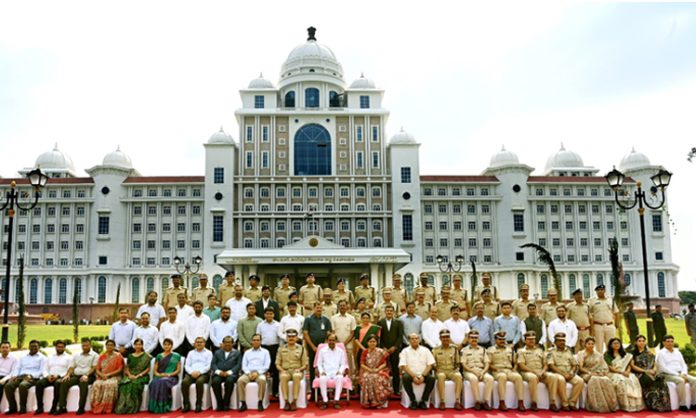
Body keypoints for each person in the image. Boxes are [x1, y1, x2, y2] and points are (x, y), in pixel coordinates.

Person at [577, 336, 618, 412]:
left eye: (592, 344)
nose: (591, 345)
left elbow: (604, 366)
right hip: (585, 373)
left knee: (605, 379)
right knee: (594, 379)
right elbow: (581, 368)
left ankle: (609, 405)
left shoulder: (598, 354)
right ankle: (596, 405)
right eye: (589, 344)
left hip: (597, 372)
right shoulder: (581, 354)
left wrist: (600, 372)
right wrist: (590, 373)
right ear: (585, 344)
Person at [516, 331, 555, 412]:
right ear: (525, 340)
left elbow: (545, 364)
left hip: (540, 372)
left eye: (533, 339)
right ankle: (534, 402)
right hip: (527, 372)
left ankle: (553, 402)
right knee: (533, 378)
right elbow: (521, 365)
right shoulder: (521, 351)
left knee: (553, 377)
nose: (531, 341)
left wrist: (543, 371)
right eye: (529, 339)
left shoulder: (540, 350)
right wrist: (534, 372)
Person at [57, 338, 97, 415]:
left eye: (87, 345)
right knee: (64, 381)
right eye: (83, 345)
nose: (85, 347)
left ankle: (81, 408)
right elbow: (72, 367)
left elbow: (94, 368)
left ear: (90, 345)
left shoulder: (95, 355)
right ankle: (62, 407)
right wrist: (68, 375)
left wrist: (86, 375)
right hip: (76, 376)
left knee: (83, 382)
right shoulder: (77, 355)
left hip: (89, 376)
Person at [656, 334, 696, 411]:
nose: (670, 343)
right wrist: (678, 375)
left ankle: (694, 403)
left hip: (680, 373)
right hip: (667, 374)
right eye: (668, 341)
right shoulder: (661, 353)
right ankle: (683, 404)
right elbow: (663, 368)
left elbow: (683, 364)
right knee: (681, 381)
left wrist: (684, 373)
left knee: (695, 380)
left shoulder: (678, 352)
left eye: (672, 341)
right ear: (663, 343)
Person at [630, 334, 670, 412]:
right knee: (650, 381)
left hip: (651, 372)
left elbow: (654, 364)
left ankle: (665, 405)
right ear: (636, 342)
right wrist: (645, 371)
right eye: (639, 341)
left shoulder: (649, 353)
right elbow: (632, 366)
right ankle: (654, 405)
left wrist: (654, 370)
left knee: (661, 380)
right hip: (640, 373)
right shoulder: (633, 353)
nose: (641, 342)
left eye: (643, 341)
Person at [4, 340, 45, 414]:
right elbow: (17, 368)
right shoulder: (23, 357)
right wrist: (15, 375)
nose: (33, 348)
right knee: (8, 386)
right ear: (29, 347)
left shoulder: (42, 358)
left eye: (35, 346)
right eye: (32, 346)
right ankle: (12, 408)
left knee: (22, 385)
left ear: (39, 347)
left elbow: (42, 371)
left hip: (32, 377)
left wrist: (31, 375)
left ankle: (22, 408)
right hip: (20, 376)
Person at [487, 331, 525, 411]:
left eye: (503, 339)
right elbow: (489, 364)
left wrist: (514, 369)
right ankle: (502, 402)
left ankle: (520, 402)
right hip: (497, 370)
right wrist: (497, 369)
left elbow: (515, 362)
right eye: (500, 339)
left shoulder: (510, 349)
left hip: (508, 370)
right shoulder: (490, 350)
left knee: (518, 377)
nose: (502, 341)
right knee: (502, 376)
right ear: (495, 340)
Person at [546, 332, 584, 411]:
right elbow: (551, 366)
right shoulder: (551, 352)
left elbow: (574, 364)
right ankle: (564, 403)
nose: (562, 342)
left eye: (563, 340)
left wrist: (571, 372)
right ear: (555, 342)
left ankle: (572, 402)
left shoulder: (568, 351)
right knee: (561, 379)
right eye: (559, 341)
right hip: (557, 373)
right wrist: (563, 374)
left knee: (580, 381)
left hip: (569, 372)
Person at [605, 337, 644, 411]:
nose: (616, 344)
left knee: (633, 379)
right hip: (614, 372)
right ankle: (624, 404)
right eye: (614, 343)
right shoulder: (607, 355)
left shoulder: (625, 354)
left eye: (618, 343)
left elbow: (629, 365)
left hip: (625, 372)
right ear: (610, 345)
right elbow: (610, 367)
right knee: (622, 381)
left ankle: (634, 404)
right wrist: (621, 372)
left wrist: (628, 372)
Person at [115, 338, 152, 414]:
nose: (138, 346)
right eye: (136, 344)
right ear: (134, 345)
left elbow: (147, 369)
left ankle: (132, 407)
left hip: (142, 376)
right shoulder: (130, 356)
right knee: (123, 385)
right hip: (130, 375)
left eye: (140, 344)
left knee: (134, 384)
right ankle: (122, 407)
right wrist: (130, 375)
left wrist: (138, 375)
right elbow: (127, 368)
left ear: (142, 345)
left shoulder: (147, 356)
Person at [400, 333, 435, 410]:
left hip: (423, 373)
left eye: (416, 338)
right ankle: (413, 400)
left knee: (431, 379)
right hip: (410, 374)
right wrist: (414, 377)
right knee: (405, 378)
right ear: (409, 340)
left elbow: (430, 365)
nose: (414, 340)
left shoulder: (426, 350)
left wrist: (423, 376)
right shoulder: (405, 351)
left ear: (419, 339)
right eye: (412, 338)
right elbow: (403, 366)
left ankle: (423, 400)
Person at [460, 330, 493, 410]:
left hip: (481, 370)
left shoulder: (483, 349)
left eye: (476, 337)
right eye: (472, 337)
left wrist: (483, 372)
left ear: (478, 339)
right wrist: (474, 371)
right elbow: (464, 365)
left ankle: (486, 401)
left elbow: (487, 363)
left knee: (490, 378)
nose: (474, 339)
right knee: (473, 378)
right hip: (469, 371)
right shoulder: (464, 350)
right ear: (468, 338)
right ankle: (477, 401)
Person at [35, 340, 71, 414]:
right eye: (58, 347)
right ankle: (39, 407)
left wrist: (58, 375)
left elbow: (69, 370)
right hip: (49, 377)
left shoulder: (69, 357)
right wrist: (47, 376)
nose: (60, 348)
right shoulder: (50, 357)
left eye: (62, 347)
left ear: (64, 348)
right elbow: (45, 369)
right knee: (39, 383)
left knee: (57, 383)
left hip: (60, 377)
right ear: (55, 347)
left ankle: (54, 407)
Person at [276, 329, 308, 411]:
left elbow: (305, 364)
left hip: (297, 370)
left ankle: (294, 401)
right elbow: (277, 364)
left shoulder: (302, 349)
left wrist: (300, 369)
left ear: (297, 338)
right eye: (289, 336)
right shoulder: (281, 349)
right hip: (285, 371)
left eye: (293, 336)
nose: (291, 338)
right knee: (283, 377)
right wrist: (282, 370)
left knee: (296, 376)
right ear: (286, 338)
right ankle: (286, 401)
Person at [148, 338, 182, 413]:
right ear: (163, 346)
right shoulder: (159, 356)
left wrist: (168, 374)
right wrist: (159, 375)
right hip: (159, 376)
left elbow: (178, 370)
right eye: (165, 344)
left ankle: (163, 406)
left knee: (163, 382)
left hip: (171, 377)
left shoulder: (176, 356)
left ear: (171, 346)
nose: (166, 346)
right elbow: (155, 371)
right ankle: (154, 407)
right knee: (154, 383)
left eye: (168, 344)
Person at [238, 334, 271, 411]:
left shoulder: (265, 352)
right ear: (251, 342)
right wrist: (248, 373)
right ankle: (243, 403)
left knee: (262, 380)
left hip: (260, 373)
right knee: (240, 380)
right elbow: (244, 365)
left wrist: (257, 373)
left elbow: (266, 365)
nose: (256, 342)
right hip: (248, 373)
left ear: (260, 342)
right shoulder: (247, 352)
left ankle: (260, 402)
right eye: (254, 340)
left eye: (258, 340)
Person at [433, 330, 463, 410]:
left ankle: (457, 401)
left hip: (452, 371)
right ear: (440, 338)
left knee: (459, 376)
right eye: (443, 337)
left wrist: (457, 369)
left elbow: (458, 362)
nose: (445, 339)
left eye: (447, 337)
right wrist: (437, 370)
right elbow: (433, 363)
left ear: (449, 338)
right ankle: (442, 401)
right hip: (441, 370)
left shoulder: (455, 348)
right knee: (441, 376)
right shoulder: (435, 350)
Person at [91, 339, 124, 414]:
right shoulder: (102, 356)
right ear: (105, 346)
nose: (109, 346)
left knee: (109, 384)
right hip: (102, 376)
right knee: (97, 384)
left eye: (111, 345)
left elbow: (120, 369)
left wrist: (109, 375)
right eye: (108, 345)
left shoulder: (118, 356)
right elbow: (97, 369)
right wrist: (102, 375)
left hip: (115, 376)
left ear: (114, 346)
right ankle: (97, 406)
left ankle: (108, 408)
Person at [359, 334, 392, 409]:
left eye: (374, 341)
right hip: (368, 370)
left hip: (379, 370)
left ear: (376, 342)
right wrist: (370, 370)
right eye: (370, 341)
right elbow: (362, 364)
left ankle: (379, 401)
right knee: (367, 377)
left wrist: (377, 369)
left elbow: (384, 363)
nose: (372, 343)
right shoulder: (365, 352)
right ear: (367, 343)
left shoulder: (381, 351)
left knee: (377, 378)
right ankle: (369, 401)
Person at [316, 333, 348, 409]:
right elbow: (319, 363)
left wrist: (340, 371)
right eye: (330, 340)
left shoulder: (340, 351)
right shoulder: (322, 351)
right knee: (322, 379)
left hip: (336, 372)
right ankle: (325, 401)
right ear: (327, 341)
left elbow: (343, 364)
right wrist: (321, 371)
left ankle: (336, 400)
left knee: (340, 377)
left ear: (336, 341)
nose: (331, 342)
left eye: (333, 340)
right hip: (326, 372)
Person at [181, 337, 212, 413]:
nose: (199, 343)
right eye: (197, 342)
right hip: (191, 373)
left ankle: (198, 404)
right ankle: (186, 404)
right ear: (194, 344)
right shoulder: (190, 353)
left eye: (201, 342)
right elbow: (187, 365)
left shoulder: (209, 353)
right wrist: (192, 372)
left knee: (199, 382)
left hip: (203, 374)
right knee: (184, 382)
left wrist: (199, 372)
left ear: (204, 343)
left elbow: (209, 366)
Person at [210, 336, 242, 411]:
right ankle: (219, 402)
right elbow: (213, 364)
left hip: (231, 374)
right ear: (223, 343)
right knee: (215, 382)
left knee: (229, 381)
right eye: (226, 342)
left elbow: (239, 365)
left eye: (229, 342)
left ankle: (226, 403)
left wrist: (229, 372)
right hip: (219, 373)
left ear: (233, 343)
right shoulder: (217, 352)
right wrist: (218, 372)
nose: (227, 344)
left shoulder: (237, 353)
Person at [304, 302, 332, 384]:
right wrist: (312, 346)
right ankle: (313, 389)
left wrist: (324, 346)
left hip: (324, 348)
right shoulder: (308, 319)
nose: (319, 309)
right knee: (313, 367)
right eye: (317, 308)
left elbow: (328, 334)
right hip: (312, 347)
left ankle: (324, 386)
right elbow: (305, 333)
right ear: (314, 308)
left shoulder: (326, 320)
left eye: (320, 308)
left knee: (324, 366)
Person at [377, 305, 403, 395]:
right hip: (383, 350)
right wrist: (383, 347)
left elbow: (400, 336)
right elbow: (379, 337)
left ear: (393, 312)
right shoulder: (380, 322)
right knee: (384, 370)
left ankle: (396, 390)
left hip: (394, 350)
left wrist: (394, 347)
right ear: (385, 312)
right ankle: (384, 389)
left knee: (395, 370)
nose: (389, 312)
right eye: (387, 311)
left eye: (391, 311)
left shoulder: (398, 322)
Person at [256, 307, 281, 398]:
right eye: (267, 314)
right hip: (264, 348)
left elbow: (280, 338)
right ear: (264, 315)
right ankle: (264, 392)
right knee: (264, 369)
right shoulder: (260, 325)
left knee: (275, 370)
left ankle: (275, 391)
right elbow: (258, 337)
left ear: (273, 315)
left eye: (271, 314)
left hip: (275, 348)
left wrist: (280, 349)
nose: (269, 315)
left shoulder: (278, 325)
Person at [589, 284, 618, 353]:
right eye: (598, 290)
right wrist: (591, 328)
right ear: (596, 292)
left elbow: (616, 312)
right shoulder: (592, 301)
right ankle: (600, 362)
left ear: (604, 290)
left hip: (609, 325)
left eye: (602, 290)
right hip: (598, 326)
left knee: (611, 345)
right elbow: (589, 314)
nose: (600, 291)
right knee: (599, 346)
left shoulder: (610, 300)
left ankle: (610, 361)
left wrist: (616, 324)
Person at [331, 301, 356, 380]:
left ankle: (350, 382)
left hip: (348, 345)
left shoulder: (351, 318)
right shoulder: (333, 318)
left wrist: (344, 343)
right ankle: (337, 381)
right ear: (338, 307)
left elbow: (352, 332)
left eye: (344, 305)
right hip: (336, 344)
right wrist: (339, 343)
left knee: (349, 364)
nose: (342, 307)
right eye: (340, 305)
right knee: (337, 363)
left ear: (347, 307)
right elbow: (332, 332)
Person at [0, 341, 16, 411]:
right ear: (0, 349)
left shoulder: (14, 359)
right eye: (3, 347)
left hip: (6, 377)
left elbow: (13, 372)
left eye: (7, 347)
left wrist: (4, 379)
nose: (5, 349)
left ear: (10, 349)